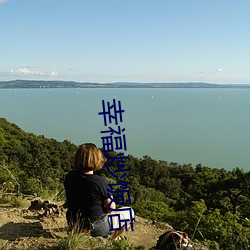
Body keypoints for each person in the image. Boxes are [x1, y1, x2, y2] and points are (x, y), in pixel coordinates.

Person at [64, 143, 134, 239]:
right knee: (129, 212)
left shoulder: (70, 176)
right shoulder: (100, 182)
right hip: (95, 227)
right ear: (97, 160)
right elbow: (111, 209)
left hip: (74, 225)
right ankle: (111, 239)